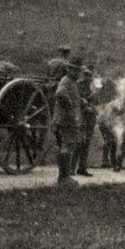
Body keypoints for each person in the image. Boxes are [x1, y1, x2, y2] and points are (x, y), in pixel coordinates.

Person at [51, 57, 82, 186]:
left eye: (78, 70)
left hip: (61, 119)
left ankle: (62, 177)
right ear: (69, 69)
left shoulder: (71, 82)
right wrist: (70, 107)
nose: (76, 73)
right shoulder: (67, 81)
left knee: (63, 146)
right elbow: (60, 94)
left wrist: (80, 102)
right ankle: (65, 177)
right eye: (74, 70)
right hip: (66, 120)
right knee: (68, 145)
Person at [73, 64, 98, 176]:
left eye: (89, 76)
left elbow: (96, 101)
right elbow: (76, 100)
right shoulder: (77, 86)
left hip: (90, 118)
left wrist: (92, 107)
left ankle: (82, 167)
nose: (88, 78)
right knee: (79, 143)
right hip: (81, 117)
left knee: (86, 144)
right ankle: (72, 168)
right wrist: (85, 105)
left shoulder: (92, 88)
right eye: (86, 75)